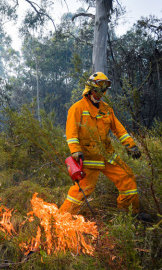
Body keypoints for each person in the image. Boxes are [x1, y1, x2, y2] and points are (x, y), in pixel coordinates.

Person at [60, 72, 151, 221]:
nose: (100, 93)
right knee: (82, 191)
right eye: (98, 89)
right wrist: (76, 151)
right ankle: (61, 220)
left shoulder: (107, 108)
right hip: (88, 158)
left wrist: (131, 145)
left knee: (127, 178)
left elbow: (119, 129)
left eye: (103, 90)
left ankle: (130, 214)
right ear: (90, 89)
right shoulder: (77, 108)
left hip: (107, 155)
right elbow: (71, 133)